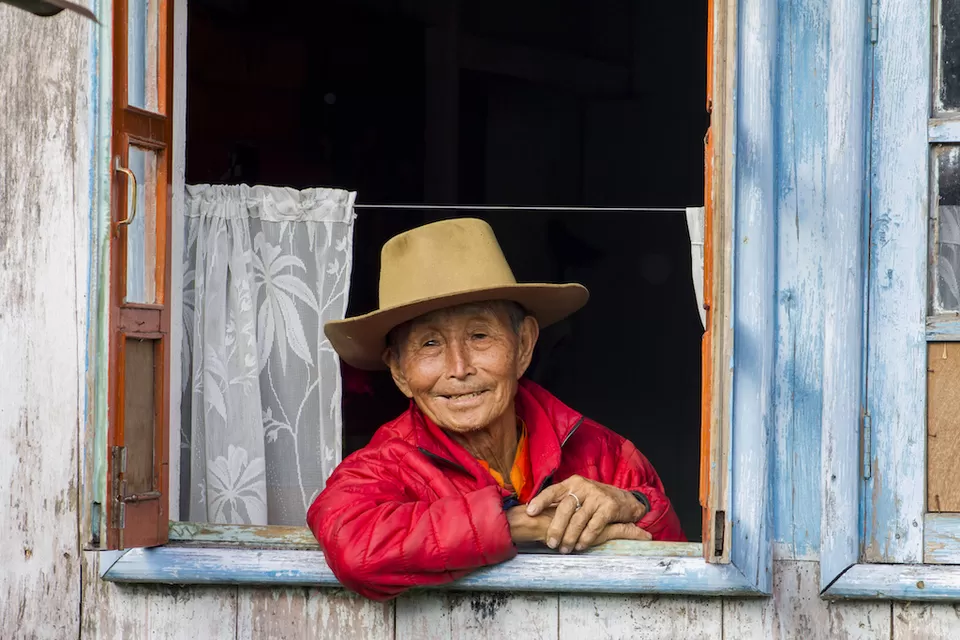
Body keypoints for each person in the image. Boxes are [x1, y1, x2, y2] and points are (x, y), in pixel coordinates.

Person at [307, 218, 685, 601]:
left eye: (479, 335)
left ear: (523, 345)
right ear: (400, 371)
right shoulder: (381, 466)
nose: (459, 368)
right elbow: (355, 547)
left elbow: (676, 575)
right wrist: (513, 524)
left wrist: (633, 506)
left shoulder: (604, 453)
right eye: (430, 343)